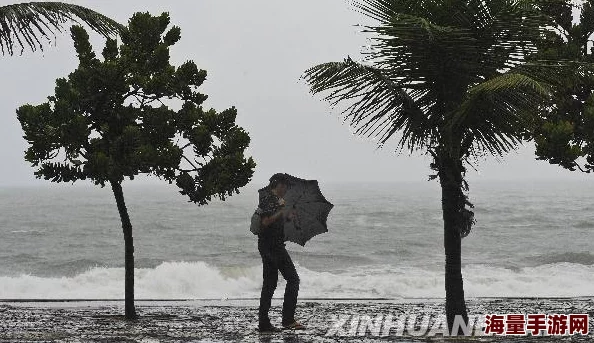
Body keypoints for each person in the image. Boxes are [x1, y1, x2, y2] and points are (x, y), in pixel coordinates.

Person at [257, 173, 305, 332]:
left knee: (269, 284)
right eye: (284, 186)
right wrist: (281, 211)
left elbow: (277, 221)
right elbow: (265, 222)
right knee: (293, 280)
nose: (286, 189)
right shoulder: (267, 200)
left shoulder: (278, 201)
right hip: (272, 247)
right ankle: (288, 320)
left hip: (270, 245)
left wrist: (289, 216)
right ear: (277, 185)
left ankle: (264, 323)